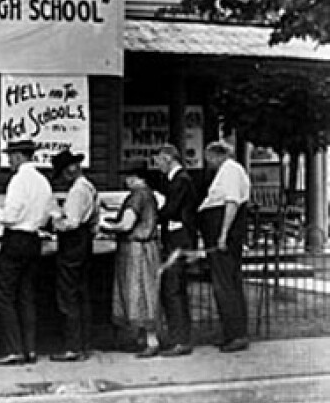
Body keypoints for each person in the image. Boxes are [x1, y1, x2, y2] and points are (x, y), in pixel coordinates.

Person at [0, 139, 57, 366]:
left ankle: (13, 349)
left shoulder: (18, 181)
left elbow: (11, 216)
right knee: (27, 295)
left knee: (4, 294)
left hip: (16, 239)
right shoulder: (43, 181)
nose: (9, 162)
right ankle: (30, 349)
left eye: (10, 157)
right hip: (34, 239)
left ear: (18, 156)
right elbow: (47, 214)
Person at [101, 161, 162, 358]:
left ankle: (151, 340)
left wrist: (107, 226)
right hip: (148, 247)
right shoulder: (150, 194)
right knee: (146, 291)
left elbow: (126, 224)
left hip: (136, 249)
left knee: (139, 292)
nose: (126, 180)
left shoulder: (136, 196)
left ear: (135, 177)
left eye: (128, 176)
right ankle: (144, 338)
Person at [199, 141, 251, 353]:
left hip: (224, 233)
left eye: (209, 158)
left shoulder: (230, 171)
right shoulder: (229, 170)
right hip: (220, 230)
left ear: (217, 155)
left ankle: (236, 334)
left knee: (225, 284)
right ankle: (232, 332)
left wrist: (223, 234)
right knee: (227, 282)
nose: (208, 163)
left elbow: (231, 202)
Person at [49, 148, 100, 362]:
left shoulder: (77, 191)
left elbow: (71, 222)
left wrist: (54, 221)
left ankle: (72, 346)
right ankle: (84, 343)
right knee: (81, 293)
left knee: (68, 294)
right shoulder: (89, 186)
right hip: (85, 242)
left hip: (73, 243)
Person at [154, 143, 198, 357]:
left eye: (159, 161)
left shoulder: (181, 180)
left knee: (173, 288)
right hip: (177, 237)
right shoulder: (176, 180)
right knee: (174, 288)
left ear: (168, 158)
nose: (158, 166)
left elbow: (172, 210)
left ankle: (180, 340)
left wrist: (153, 213)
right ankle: (178, 337)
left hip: (178, 238)